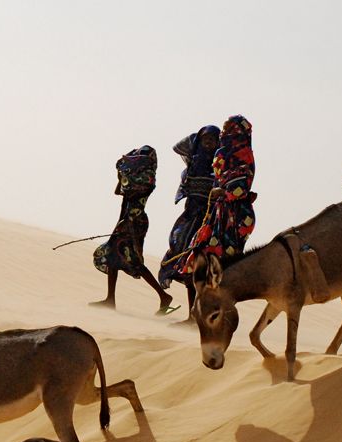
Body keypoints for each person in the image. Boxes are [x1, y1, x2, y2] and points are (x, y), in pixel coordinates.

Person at [92, 145, 178, 314]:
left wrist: (125, 177)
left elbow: (131, 193)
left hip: (135, 221)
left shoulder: (147, 179)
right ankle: (110, 299)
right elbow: (119, 192)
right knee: (112, 256)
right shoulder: (133, 179)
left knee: (134, 261)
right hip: (126, 220)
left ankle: (164, 296)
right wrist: (120, 177)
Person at [175, 115, 257, 277]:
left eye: (228, 129)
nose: (224, 132)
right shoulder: (223, 153)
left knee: (223, 257)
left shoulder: (242, 155)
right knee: (201, 250)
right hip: (218, 211)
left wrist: (222, 192)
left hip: (234, 214)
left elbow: (239, 187)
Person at [160, 124, 221, 320]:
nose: (209, 142)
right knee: (184, 261)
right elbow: (178, 147)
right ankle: (192, 316)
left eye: (213, 139)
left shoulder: (219, 168)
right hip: (189, 219)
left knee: (202, 268)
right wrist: (195, 140)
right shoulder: (193, 165)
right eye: (205, 139)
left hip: (208, 221)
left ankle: (201, 315)